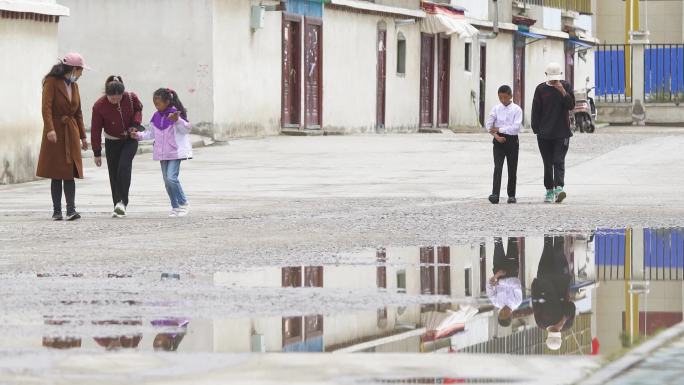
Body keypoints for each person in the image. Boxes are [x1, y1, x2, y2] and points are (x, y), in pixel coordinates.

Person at [36, 53, 90, 221]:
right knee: (57, 171)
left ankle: (71, 209)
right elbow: (46, 108)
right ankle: (57, 210)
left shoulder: (74, 86)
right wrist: (50, 129)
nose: (81, 74)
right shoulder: (51, 82)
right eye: (81, 71)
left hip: (71, 130)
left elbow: (78, 112)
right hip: (56, 132)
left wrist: (83, 136)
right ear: (74, 69)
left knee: (69, 170)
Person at [131, 88, 192, 217]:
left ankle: (183, 203)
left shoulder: (175, 114)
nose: (156, 106)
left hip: (175, 153)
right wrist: (138, 135)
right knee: (167, 181)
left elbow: (187, 129)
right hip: (162, 154)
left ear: (167, 101)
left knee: (171, 178)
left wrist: (177, 120)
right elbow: (151, 133)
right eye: (155, 104)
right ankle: (175, 207)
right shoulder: (156, 116)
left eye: (158, 104)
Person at [91, 76, 144, 218]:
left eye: (118, 98)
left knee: (124, 166)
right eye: (112, 99)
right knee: (114, 173)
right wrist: (97, 152)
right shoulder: (99, 106)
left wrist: (135, 125)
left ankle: (122, 202)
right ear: (106, 95)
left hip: (129, 139)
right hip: (112, 141)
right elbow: (96, 130)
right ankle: (117, 205)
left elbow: (138, 110)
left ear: (122, 94)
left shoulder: (130, 97)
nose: (115, 101)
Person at [531, 62, 575, 204]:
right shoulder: (541, 89)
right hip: (544, 133)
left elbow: (571, 105)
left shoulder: (566, 86)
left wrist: (562, 91)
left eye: (556, 77)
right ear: (546, 75)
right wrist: (536, 128)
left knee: (558, 160)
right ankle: (549, 189)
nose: (554, 80)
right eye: (552, 77)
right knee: (547, 162)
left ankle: (559, 188)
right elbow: (535, 110)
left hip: (562, 131)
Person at [531, 235, 576, 351]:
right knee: (558, 248)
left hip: (545, 277)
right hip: (559, 278)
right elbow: (571, 306)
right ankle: (558, 224)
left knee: (547, 246)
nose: (555, 330)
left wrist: (535, 284)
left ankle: (550, 224)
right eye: (556, 333)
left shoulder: (541, 323)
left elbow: (536, 303)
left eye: (553, 333)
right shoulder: (567, 324)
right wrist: (563, 320)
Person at [486, 85, 523, 204]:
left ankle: (511, 195)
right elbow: (489, 125)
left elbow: (515, 128)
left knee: (512, 168)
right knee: (498, 167)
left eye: (505, 97)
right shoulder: (496, 109)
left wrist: (499, 129)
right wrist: (496, 136)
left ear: (511, 96)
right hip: (498, 141)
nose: (503, 100)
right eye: (500, 98)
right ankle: (495, 193)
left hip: (512, 141)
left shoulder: (517, 109)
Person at [486, 237, 523, 327]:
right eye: (505, 314)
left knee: (497, 243)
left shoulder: (496, 302)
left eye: (500, 314)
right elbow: (516, 284)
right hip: (512, 269)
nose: (502, 312)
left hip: (498, 270)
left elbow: (489, 286)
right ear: (510, 315)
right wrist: (499, 282)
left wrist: (496, 276)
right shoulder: (517, 302)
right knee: (512, 240)